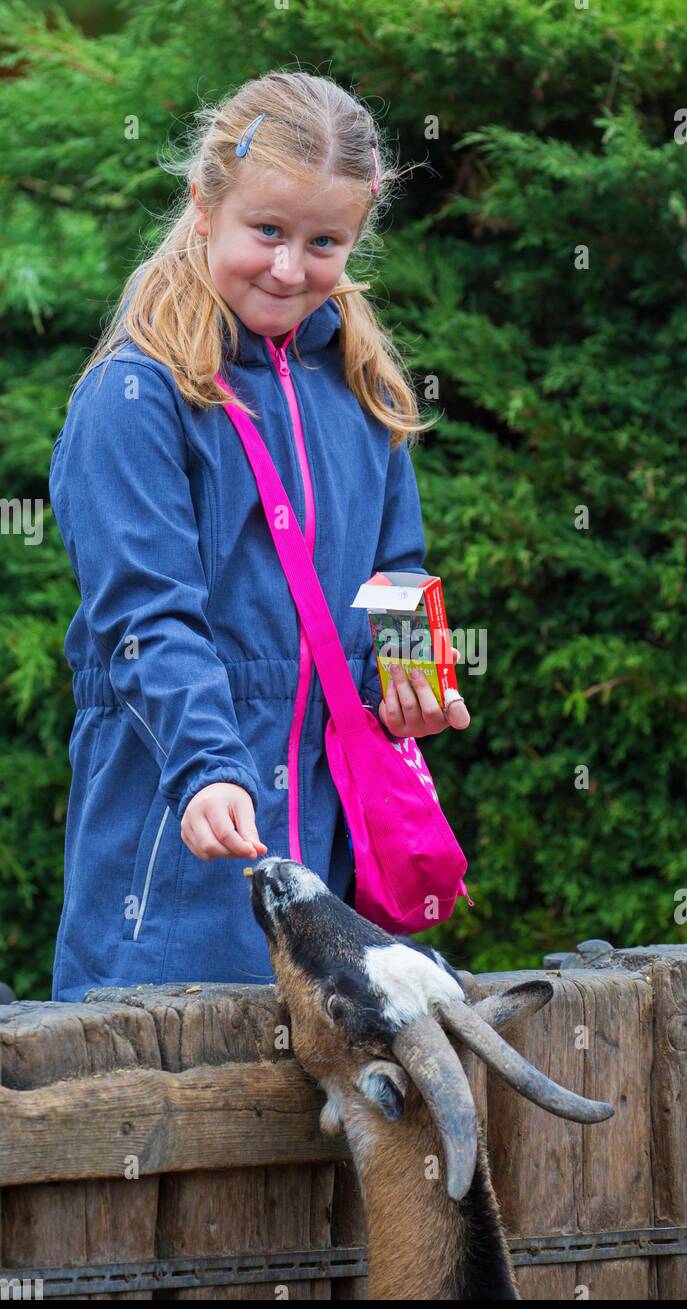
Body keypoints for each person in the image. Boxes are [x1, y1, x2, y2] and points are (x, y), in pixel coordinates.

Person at [49, 69, 470, 1004]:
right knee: (163, 1092)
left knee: (315, 1117)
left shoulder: (364, 390)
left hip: (327, 849)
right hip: (177, 832)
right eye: (268, 232)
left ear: (356, 240)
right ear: (204, 206)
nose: (291, 268)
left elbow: (395, 570)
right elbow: (144, 618)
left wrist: (410, 678)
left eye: (325, 242)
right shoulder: (136, 395)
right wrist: (203, 769)